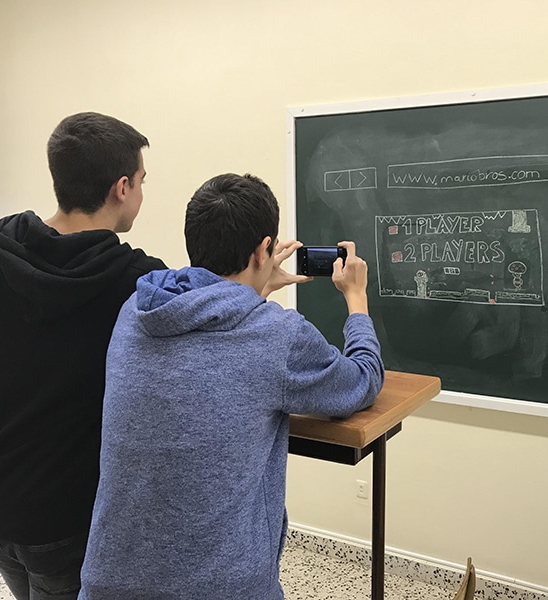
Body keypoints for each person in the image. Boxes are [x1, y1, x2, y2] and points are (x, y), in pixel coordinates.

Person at [78, 173, 384, 600]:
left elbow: (216, 338)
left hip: (108, 580)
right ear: (264, 249)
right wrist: (356, 297)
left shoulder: (136, 309)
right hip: (222, 588)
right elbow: (362, 381)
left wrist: (253, 289)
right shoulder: (278, 334)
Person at [0, 112, 166, 600]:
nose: (141, 193)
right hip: (69, 522)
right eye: (141, 182)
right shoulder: (139, 284)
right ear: (121, 187)